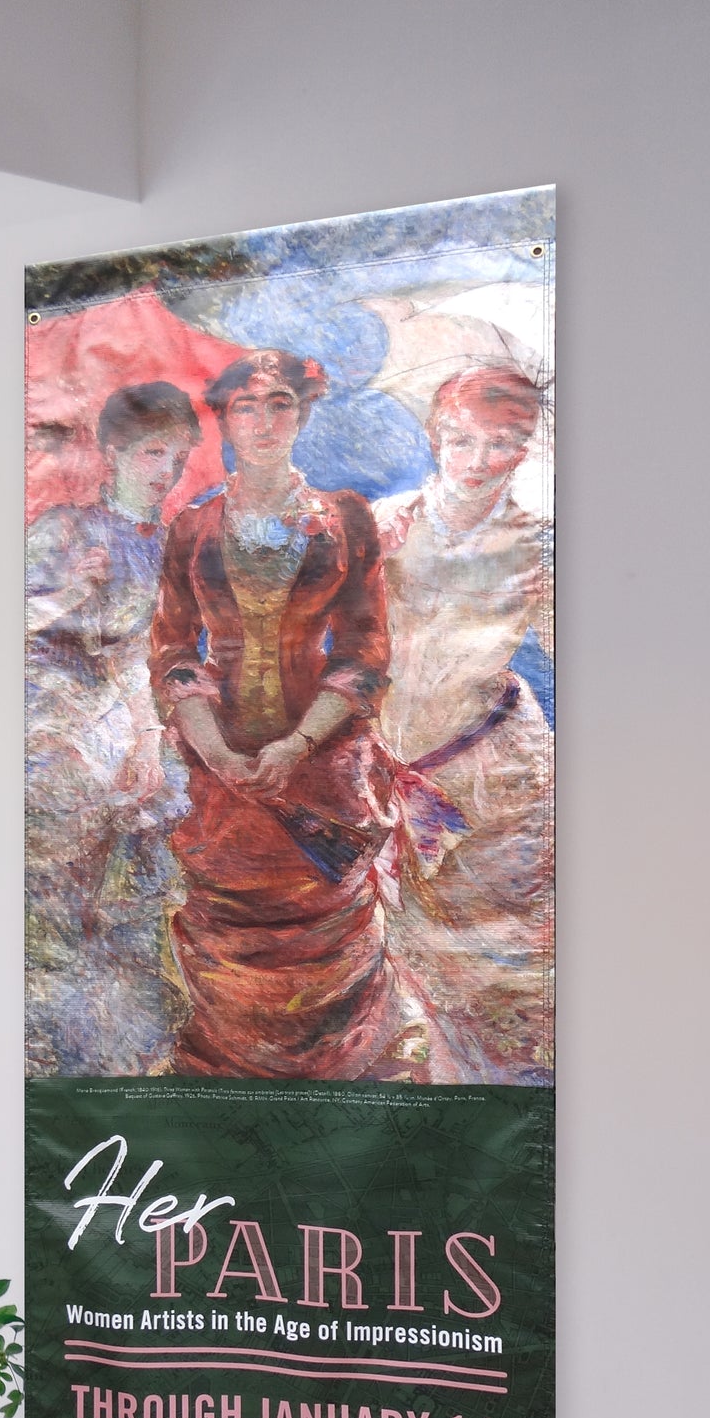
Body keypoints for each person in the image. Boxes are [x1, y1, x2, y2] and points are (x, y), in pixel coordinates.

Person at [148, 350, 434, 1082]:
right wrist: (218, 753)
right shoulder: (192, 528)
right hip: (223, 764)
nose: (265, 420)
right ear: (224, 420)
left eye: (280, 403)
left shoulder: (343, 518)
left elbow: (365, 649)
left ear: (301, 415)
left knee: (327, 933)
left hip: (321, 762)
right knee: (231, 935)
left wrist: (298, 744)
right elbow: (175, 648)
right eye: (247, 406)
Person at [375, 364, 554, 1084]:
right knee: (411, 956)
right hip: (392, 767)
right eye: (460, 440)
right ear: (432, 437)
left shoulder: (538, 543)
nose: (478, 461)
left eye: (501, 443)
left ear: (526, 447)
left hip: (495, 777)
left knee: (499, 966)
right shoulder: (385, 524)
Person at [26, 381, 200, 1077]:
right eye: (150, 452)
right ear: (112, 453)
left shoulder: (180, 544)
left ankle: (133, 1062)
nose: (164, 470)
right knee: (59, 915)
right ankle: (63, 1063)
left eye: (177, 456)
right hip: (57, 740)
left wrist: (151, 735)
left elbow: (157, 656)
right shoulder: (63, 531)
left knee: (137, 909)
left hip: (140, 734)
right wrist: (70, 593)